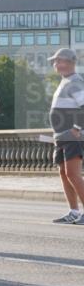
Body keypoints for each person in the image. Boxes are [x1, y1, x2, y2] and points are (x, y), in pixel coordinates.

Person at [47, 48, 84, 225]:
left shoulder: (76, 82)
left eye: (59, 60)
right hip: (61, 137)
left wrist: (77, 128)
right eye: (55, 61)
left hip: (72, 137)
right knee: (64, 173)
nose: (56, 64)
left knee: (73, 174)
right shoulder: (65, 81)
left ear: (70, 62)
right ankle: (73, 211)